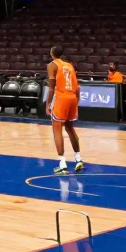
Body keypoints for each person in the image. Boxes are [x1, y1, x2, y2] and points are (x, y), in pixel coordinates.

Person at [44, 46, 84, 174]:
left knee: (57, 130)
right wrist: (76, 101)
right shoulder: (69, 65)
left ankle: (62, 164)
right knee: (70, 128)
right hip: (72, 97)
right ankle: (78, 159)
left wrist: (48, 104)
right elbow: (77, 88)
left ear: (52, 54)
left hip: (61, 98)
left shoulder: (52, 65)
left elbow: (51, 88)